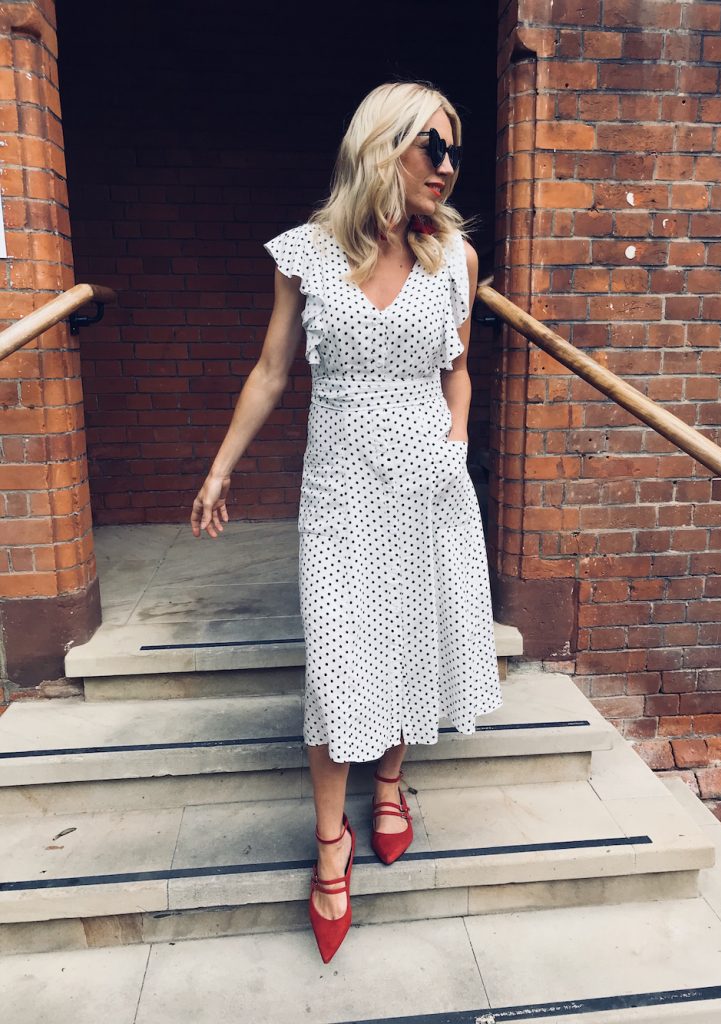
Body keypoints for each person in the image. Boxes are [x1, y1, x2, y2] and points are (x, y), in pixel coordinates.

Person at [190, 80, 503, 963]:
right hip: (338, 488)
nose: (447, 165)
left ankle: (391, 781)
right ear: (381, 147)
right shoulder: (306, 254)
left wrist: (455, 443)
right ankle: (333, 842)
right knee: (338, 661)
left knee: (406, 636)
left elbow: (458, 373)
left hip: (427, 483)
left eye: (454, 150)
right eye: (431, 146)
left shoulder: (456, 259)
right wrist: (219, 468)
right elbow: (271, 371)